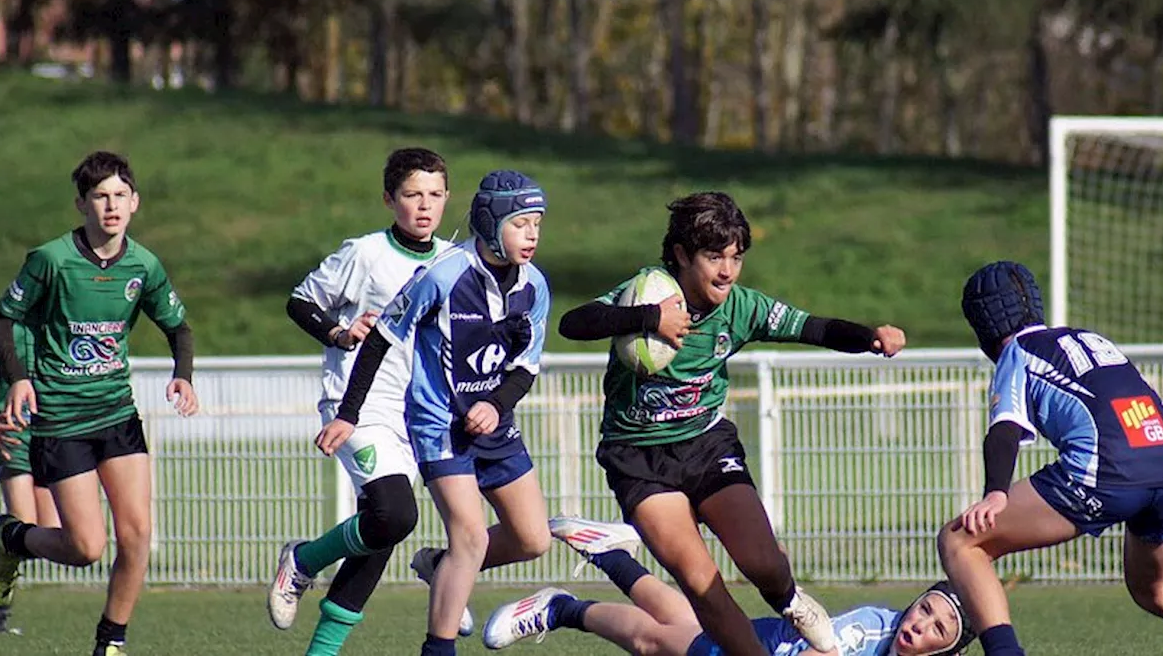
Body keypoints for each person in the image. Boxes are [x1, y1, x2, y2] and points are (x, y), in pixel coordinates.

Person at [558, 192, 907, 656]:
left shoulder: (741, 307)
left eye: (735, 257)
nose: (726, 270)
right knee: (702, 585)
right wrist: (650, 319)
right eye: (713, 257)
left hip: (705, 445)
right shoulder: (646, 293)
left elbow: (813, 328)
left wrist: (871, 338)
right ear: (682, 255)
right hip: (638, 459)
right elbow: (573, 322)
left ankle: (792, 600)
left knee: (764, 564)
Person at [937, 261, 1163, 656]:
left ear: (982, 327)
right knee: (1157, 588)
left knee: (961, 541)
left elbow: (1004, 428)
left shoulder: (1018, 352)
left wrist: (995, 494)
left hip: (1107, 471)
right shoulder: (1088, 338)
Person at [325, 169, 553, 656]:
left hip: (494, 426)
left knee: (534, 539)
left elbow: (524, 368)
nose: (532, 234)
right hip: (438, 425)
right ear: (490, 223)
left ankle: (440, 565)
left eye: (537, 223)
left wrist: (495, 404)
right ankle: (438, 648)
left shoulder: (535, 285)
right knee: (470, 536)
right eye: (520, 223)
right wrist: (349, 413)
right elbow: (380, 341)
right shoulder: (442, 275)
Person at [0, 151, 198, 656]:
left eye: (120, 195)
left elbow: (179, 327)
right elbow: (1, 318)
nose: (111, 205)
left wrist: (183, 376)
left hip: (117, 415)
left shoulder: (144, 264)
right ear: (81, 203)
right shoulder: (51, 259)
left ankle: (111, 642)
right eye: (100, 196)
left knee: (138, 533)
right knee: (86, 548)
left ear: (135, 202)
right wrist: (18, 379)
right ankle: (12, 538)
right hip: (61, 421)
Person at [268, 148, 455, 653]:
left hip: (419, 415)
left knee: (379, 532)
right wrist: (338, 332)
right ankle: (304, 561)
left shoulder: (453, 262)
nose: (424, 206)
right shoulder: (366, 254)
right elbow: (300, 301)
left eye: (435, 195)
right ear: (389, 199)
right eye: (412, 194)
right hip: (360, 407)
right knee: (394, 515)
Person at [484, 515, 975, 656]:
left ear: (950, 649)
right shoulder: (873, 629)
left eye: (940, 627)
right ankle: (561, 608)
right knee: (652, 642)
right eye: (926, 608)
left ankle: (609, 552)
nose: (921, 623)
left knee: (681, 620)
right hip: (760, 648)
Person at [0, 328, 61, 634]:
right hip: (14, 439)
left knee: (54, 537)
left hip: (54, 442)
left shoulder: (64, 333)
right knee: (23, 522)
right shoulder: (8, 338)